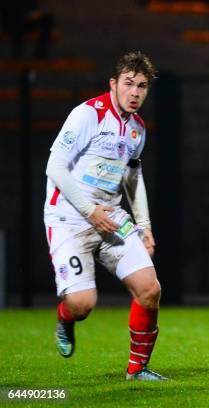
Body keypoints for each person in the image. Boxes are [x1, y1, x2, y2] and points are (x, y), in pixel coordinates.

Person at [44, 51, 167, 381]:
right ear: (113, 84)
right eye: (128, 84)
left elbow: (132, 176)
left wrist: (144, 225)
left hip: (111, 216)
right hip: (69, 218)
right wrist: (89, 210)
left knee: (149, 289)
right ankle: (65, 318)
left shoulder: (138, 129)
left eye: (142, 86)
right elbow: (54, 167)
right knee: (82, 304)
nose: (135, 93)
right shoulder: (88, 114)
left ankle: (137, 370)